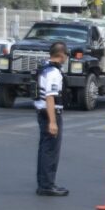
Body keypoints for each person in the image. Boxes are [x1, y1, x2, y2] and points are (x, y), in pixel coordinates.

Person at [35, 41, 69, 197]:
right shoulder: (54, 73)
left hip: (42, 112)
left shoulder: (43, 68)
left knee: (44, 149)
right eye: (66, 55)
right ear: (61, 55)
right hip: (50, 113)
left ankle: (43, 183)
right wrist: (53, 122)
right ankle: (48, 185)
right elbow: (50, 97)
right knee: (50, 151)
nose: (67, 58)